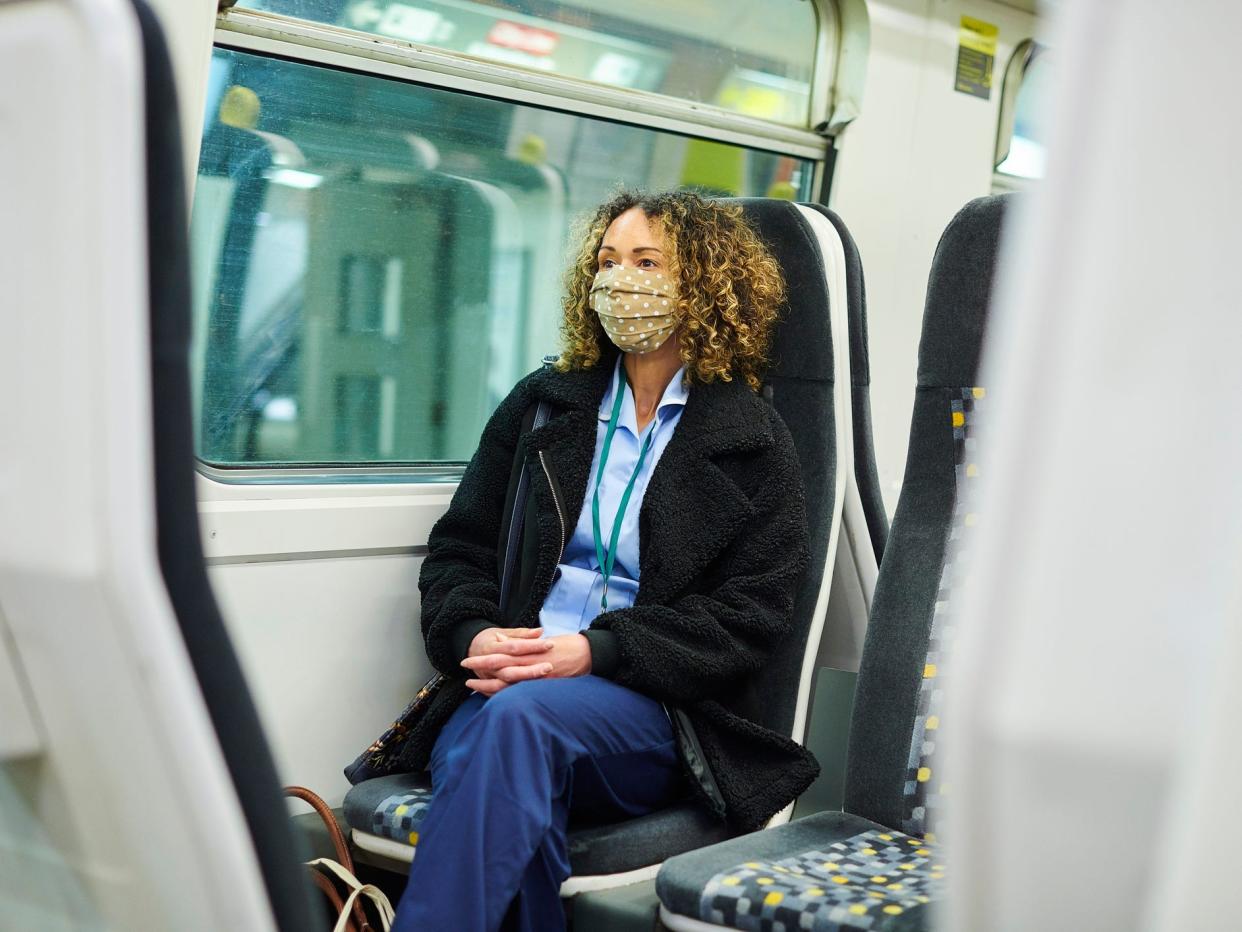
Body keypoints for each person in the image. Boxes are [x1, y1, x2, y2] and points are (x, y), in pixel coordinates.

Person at [390, 190, 816, 932]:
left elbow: (751, 618)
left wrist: (596, 652)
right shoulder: (544, 408)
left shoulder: (753, 441)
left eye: (647, 262)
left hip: (656, 707)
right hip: (506, 685)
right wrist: (473, 637)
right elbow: (460, 549)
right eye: (609, 261)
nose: (621, 280)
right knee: (508, 768)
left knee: (511, 736)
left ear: (704, 287)